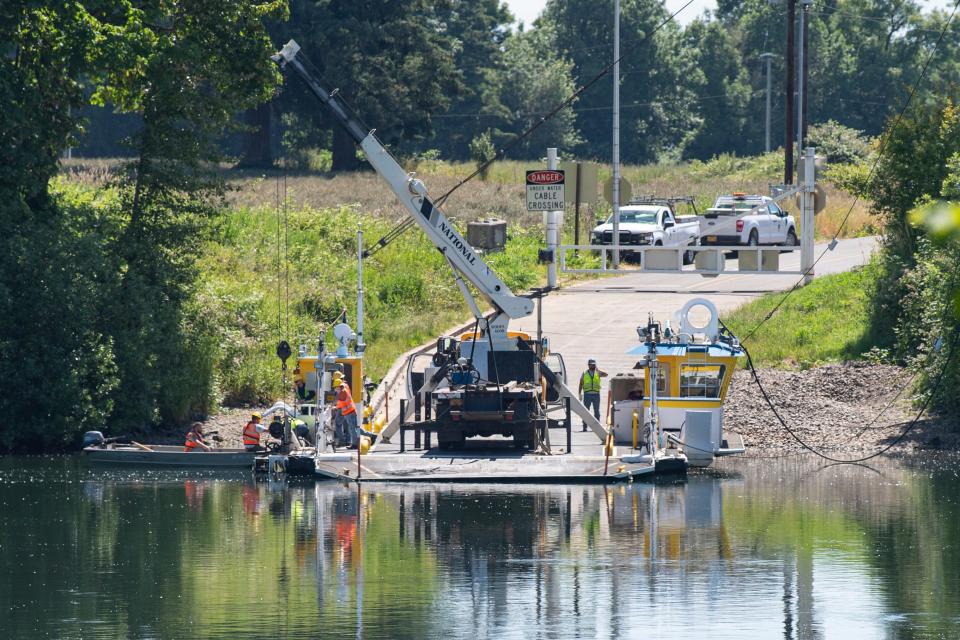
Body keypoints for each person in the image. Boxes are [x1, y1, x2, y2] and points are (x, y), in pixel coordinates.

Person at [334, 372, 377, 448]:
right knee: (355, 428)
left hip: (349, 413)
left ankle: (355, 444)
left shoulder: (342, 393)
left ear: (339, 386)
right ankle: (370, 436)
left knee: (353, 429)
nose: (335, 389)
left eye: (336, 388)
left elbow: (341, 403)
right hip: (350, 412)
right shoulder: (345, 387)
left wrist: (335, 407)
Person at [578, 358, 608, 431]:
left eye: (594, 364)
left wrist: (598, 370)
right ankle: (584, 427)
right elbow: (581, 383)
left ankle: (597, 427)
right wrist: (579, 393)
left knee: (597, 411)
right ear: (588, 365)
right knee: (586, 411)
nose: (593, 366)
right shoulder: (585, 373)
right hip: (587, 394)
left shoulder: (597, 372)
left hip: (596, 395)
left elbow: (606, 374)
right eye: (591, 364)